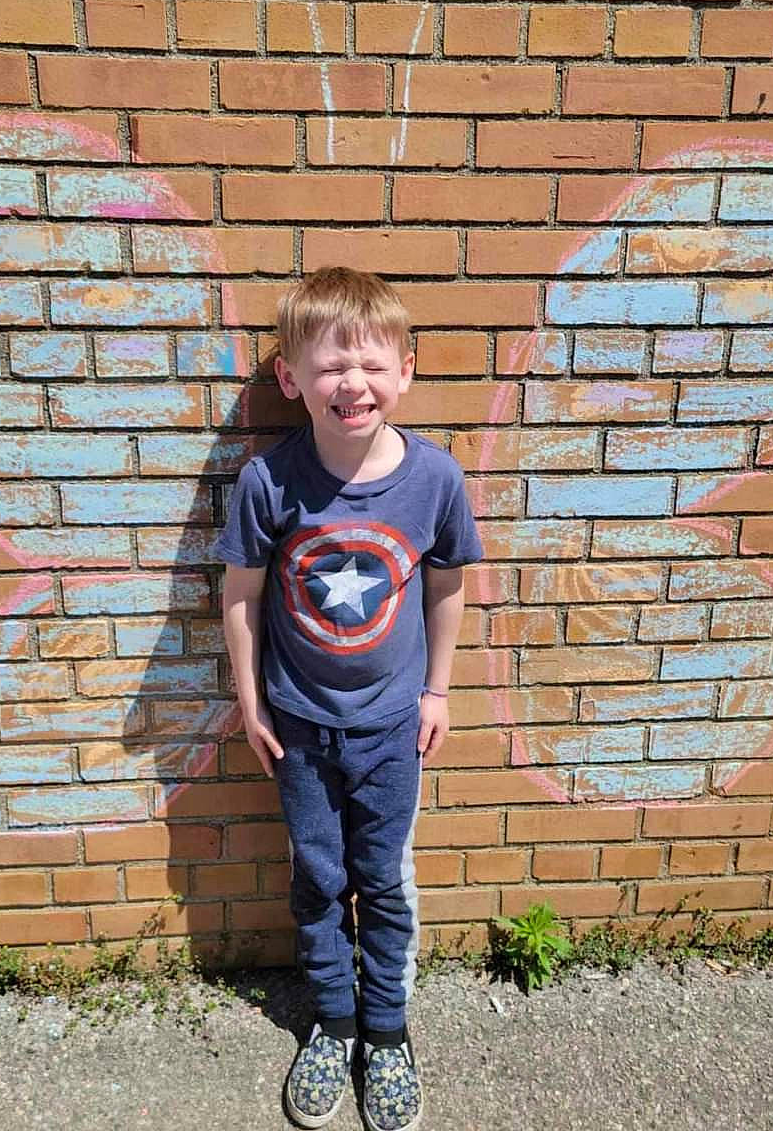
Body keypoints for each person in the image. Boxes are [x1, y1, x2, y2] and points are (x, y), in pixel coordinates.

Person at [215, 265, 483, 1131]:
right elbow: (240, 593)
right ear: (291, 379)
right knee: (320, 882)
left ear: (406, 371)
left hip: (392, 727)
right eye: (330, 367)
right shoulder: (270, 482)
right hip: (297, 727)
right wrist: (251, 702)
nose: (352, 384)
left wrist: (438, 688)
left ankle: (389, 1030)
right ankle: (332, 1024)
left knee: (384, 880)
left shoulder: (434, 480)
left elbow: (447, 587)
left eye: (371, 365)